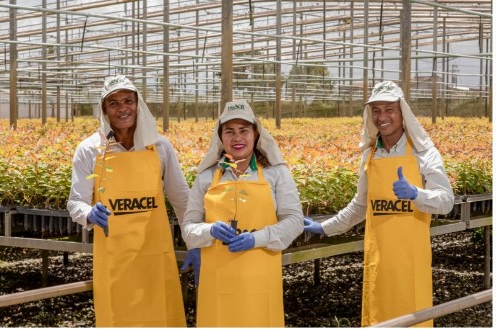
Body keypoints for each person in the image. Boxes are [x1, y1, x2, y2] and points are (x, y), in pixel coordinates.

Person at [304, 81, 454, 327]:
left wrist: (416, 194)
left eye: (389, 109)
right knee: (380, 317)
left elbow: (446, 202)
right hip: (379, 261)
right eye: (376, 110)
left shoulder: (423, 152)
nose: (382, 116)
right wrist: (324, 227)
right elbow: (360, 206)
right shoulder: (371, 154)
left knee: (412, 318)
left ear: (402, 112)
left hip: (410, 262)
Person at [67, 75, 189, 327]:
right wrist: (89, 214)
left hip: (155, 257)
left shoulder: (159, 146)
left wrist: (196, 242)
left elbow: (182, 200)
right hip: (115, 261)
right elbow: (76, 201)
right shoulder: (90, 150)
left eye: (128, 101)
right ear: (104, 110)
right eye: (113, 103)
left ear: (138, 104)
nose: (122, 108)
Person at [181, 100, 304, 327]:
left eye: (244, 130)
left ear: (256, 134)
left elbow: (295, 221)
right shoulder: (207, 177)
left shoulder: (276, 173)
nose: (237, 138)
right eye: (229, 131)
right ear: (220, 137)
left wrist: (257, 238)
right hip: (217, 284)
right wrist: (209, 230)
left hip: (260, 283)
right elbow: (188, 227)